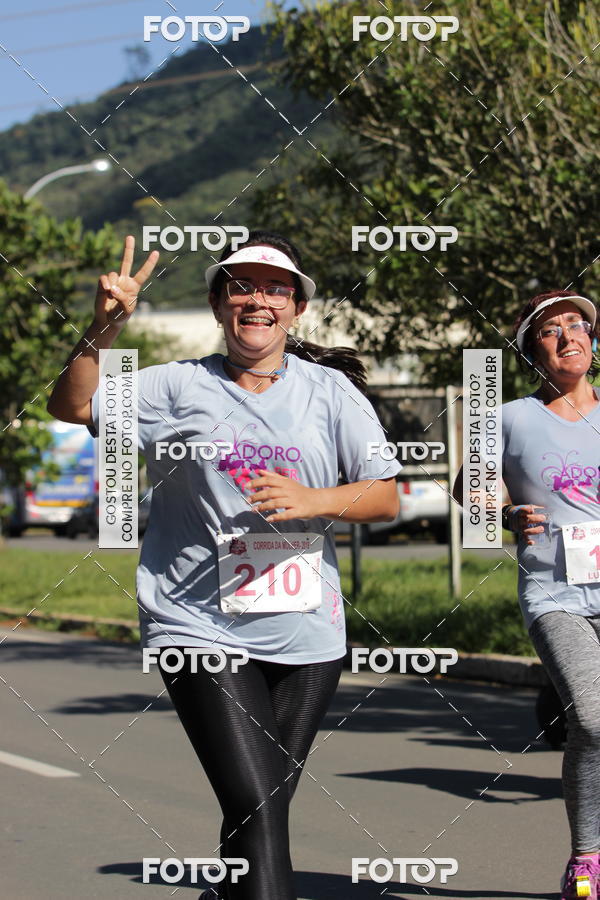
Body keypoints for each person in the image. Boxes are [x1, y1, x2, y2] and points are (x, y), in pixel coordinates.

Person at [47, 229, 401, 900]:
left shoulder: (330, 393)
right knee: (261, 811)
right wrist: (103, 329)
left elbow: (385, 496)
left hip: (307, 636)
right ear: (217, 304)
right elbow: (71, 405)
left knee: (256, 812)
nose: (258, 299)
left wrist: (313, 499)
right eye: (241, 285)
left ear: (295, 307)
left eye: (275, 287)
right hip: (197, 625)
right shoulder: (176, 387)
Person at [454, 289, 600, 899]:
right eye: (550, 330)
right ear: (530, 351)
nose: (568, 336)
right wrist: (508, 512)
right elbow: (469, 490)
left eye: (578, 325)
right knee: (592, 723)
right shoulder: (510, 416)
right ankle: (587, 857)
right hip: (554, 591)